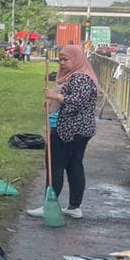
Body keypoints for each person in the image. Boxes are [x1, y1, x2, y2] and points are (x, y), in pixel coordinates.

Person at [27, 44, 98, 220]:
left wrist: (55, 97)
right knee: (74, 165)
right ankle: (74, 206)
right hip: (76, 129)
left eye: (66, 59)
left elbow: (76, 102)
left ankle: (50, 204)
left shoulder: (81, 77)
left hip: (71, 130)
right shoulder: (74, 76)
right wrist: (52, 102)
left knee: (56, 165)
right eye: (60, 60)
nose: (62, 63)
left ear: (77, 59)